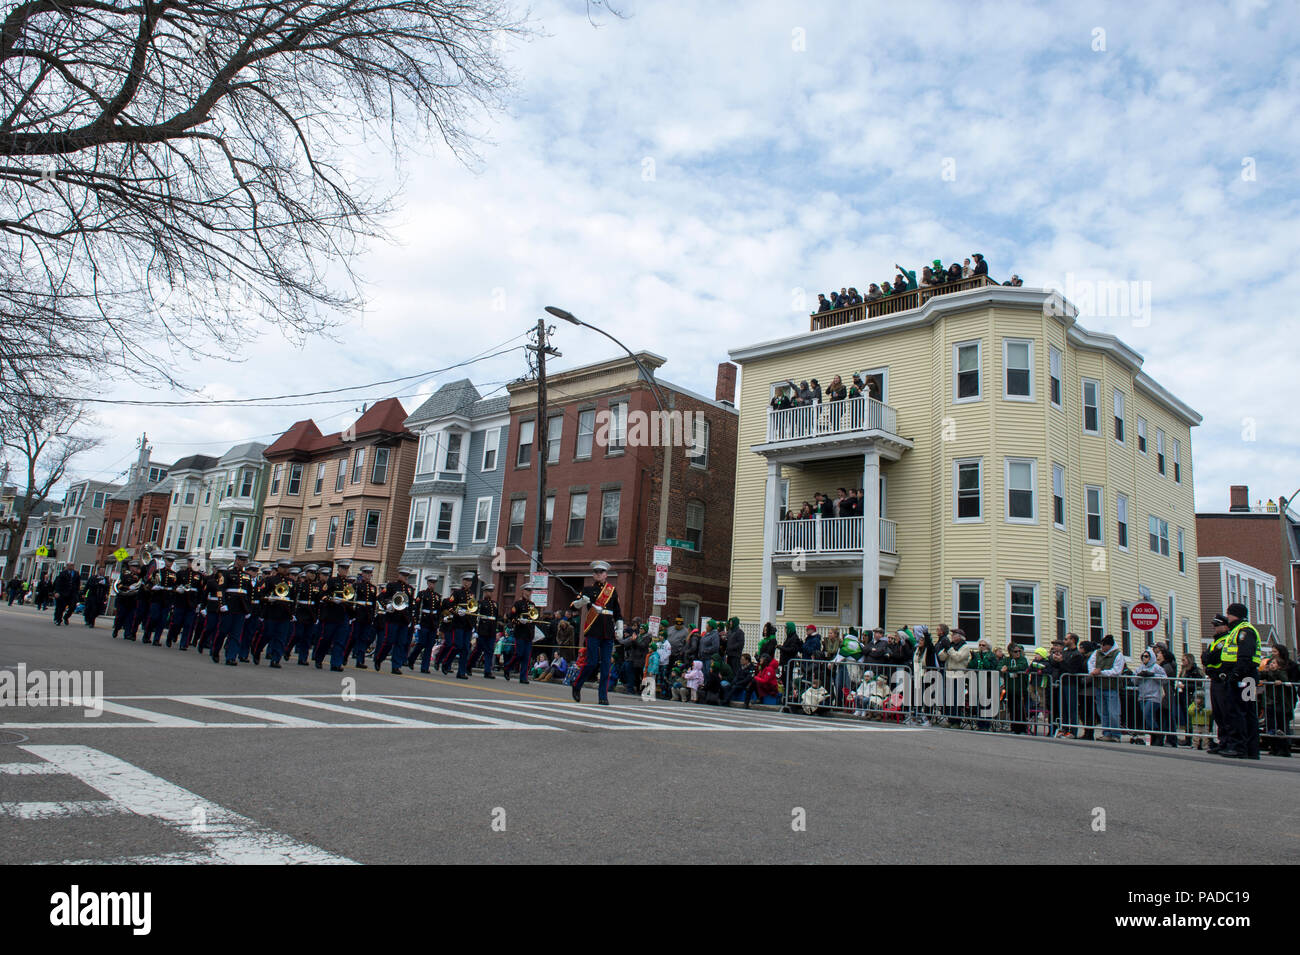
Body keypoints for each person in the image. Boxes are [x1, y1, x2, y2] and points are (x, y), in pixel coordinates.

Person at [571, 561, 623, 705]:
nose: (598, 574)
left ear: (606, 574)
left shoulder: (612, 591)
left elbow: (618, 612)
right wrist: (582, 601)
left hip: (608, 632)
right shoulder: (588, 590)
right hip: (593, 630)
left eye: (601, 572)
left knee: (606, 665)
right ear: (593, 575)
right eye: (596, 572)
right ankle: (577, 684)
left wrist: (619, 628)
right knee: (591, 662)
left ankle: (603, 696)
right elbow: (573, 606)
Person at [1217, 602, 1261, 760]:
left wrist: (1235, 675)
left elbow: (1245, 656)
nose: (1227, 616)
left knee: (1239, 711)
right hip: (1246, 677)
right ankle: (1250, 748)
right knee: (1247, 711)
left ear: (1234, 614)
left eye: (1228, 613)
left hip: (1244, 677)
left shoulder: (1244, 631)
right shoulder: (1237, 630)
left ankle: (1240, 747)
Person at [1258, 645, 1297, 757]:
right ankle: (1274, 746)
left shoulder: (1290, 666)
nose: (1273, 653)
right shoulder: (1269, 665)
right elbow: (1262, 675)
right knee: (1271, 724)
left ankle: (1284, 747)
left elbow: (1290, 680)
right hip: (1271, 699)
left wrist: (1282, 680)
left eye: (1275, 651)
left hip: (1283, 700)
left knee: (1283, 724)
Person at [1201, 614, 1232, 752]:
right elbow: (1205, 658)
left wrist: (1208, 658)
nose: (1215, 628)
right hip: (1214, 679)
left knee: (1225, 713)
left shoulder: (1226, 640)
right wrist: (1208, 658)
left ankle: (1228, 742)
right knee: (1218, 714)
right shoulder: (1215, 642)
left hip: (1222, 679)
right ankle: (1222, 741)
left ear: (1225, 626)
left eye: (1217, 626)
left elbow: (1213, 657)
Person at [1087, 635, 1126, 741]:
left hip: (1111, 687)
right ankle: (1106, 733)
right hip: (1099, 686)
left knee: (1113, 712)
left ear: (1109, 646)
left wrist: (1101, 672)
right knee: (1102, 712)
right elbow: (1090, 663)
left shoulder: (1118, 655)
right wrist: (1093, 671)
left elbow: (1117, 671)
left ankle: (1116, 734)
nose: (1102, 648)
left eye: (1104, 646)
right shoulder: (1097, 653)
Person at [1134, 648, 1167, 745]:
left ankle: (1157, 734)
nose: (1144, 658)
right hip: (1142, 696)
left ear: (1151, 657)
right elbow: (1133, 680)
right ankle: (1153, 738)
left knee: (1147, 713)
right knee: (1148, 717)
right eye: (1143, 656)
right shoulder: (1140, 668)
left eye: (1146, 656)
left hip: (1154, 696)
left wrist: (1152, 675)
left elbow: (1164, 679)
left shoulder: (1156, 667)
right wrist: (1139, 676)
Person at [52, 562, 81, 627]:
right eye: (70, 565)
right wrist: (57, 592)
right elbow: (58, 583)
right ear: (67, 566)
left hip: (72, 594)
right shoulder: (62, 573)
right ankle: (58, 620)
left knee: (73, 607)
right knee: (61, 607)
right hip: (63, 593)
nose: (71, 567)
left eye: (72, 565)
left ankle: (66, 617)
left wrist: (77, 592)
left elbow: (78, 584)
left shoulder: (76, 574)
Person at [82, 565, 109, 629]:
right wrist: (84, 593)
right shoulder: (93, 577)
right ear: (98, 570)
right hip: (93, 596)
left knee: (98, 610)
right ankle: (91, 622)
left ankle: (91, 619)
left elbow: (107, 587)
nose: (102, 571)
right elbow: (88, 585)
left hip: (101, 597)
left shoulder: (105, 579)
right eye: (101, 570)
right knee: (91, 609)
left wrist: (105, 588)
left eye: (103, 570)